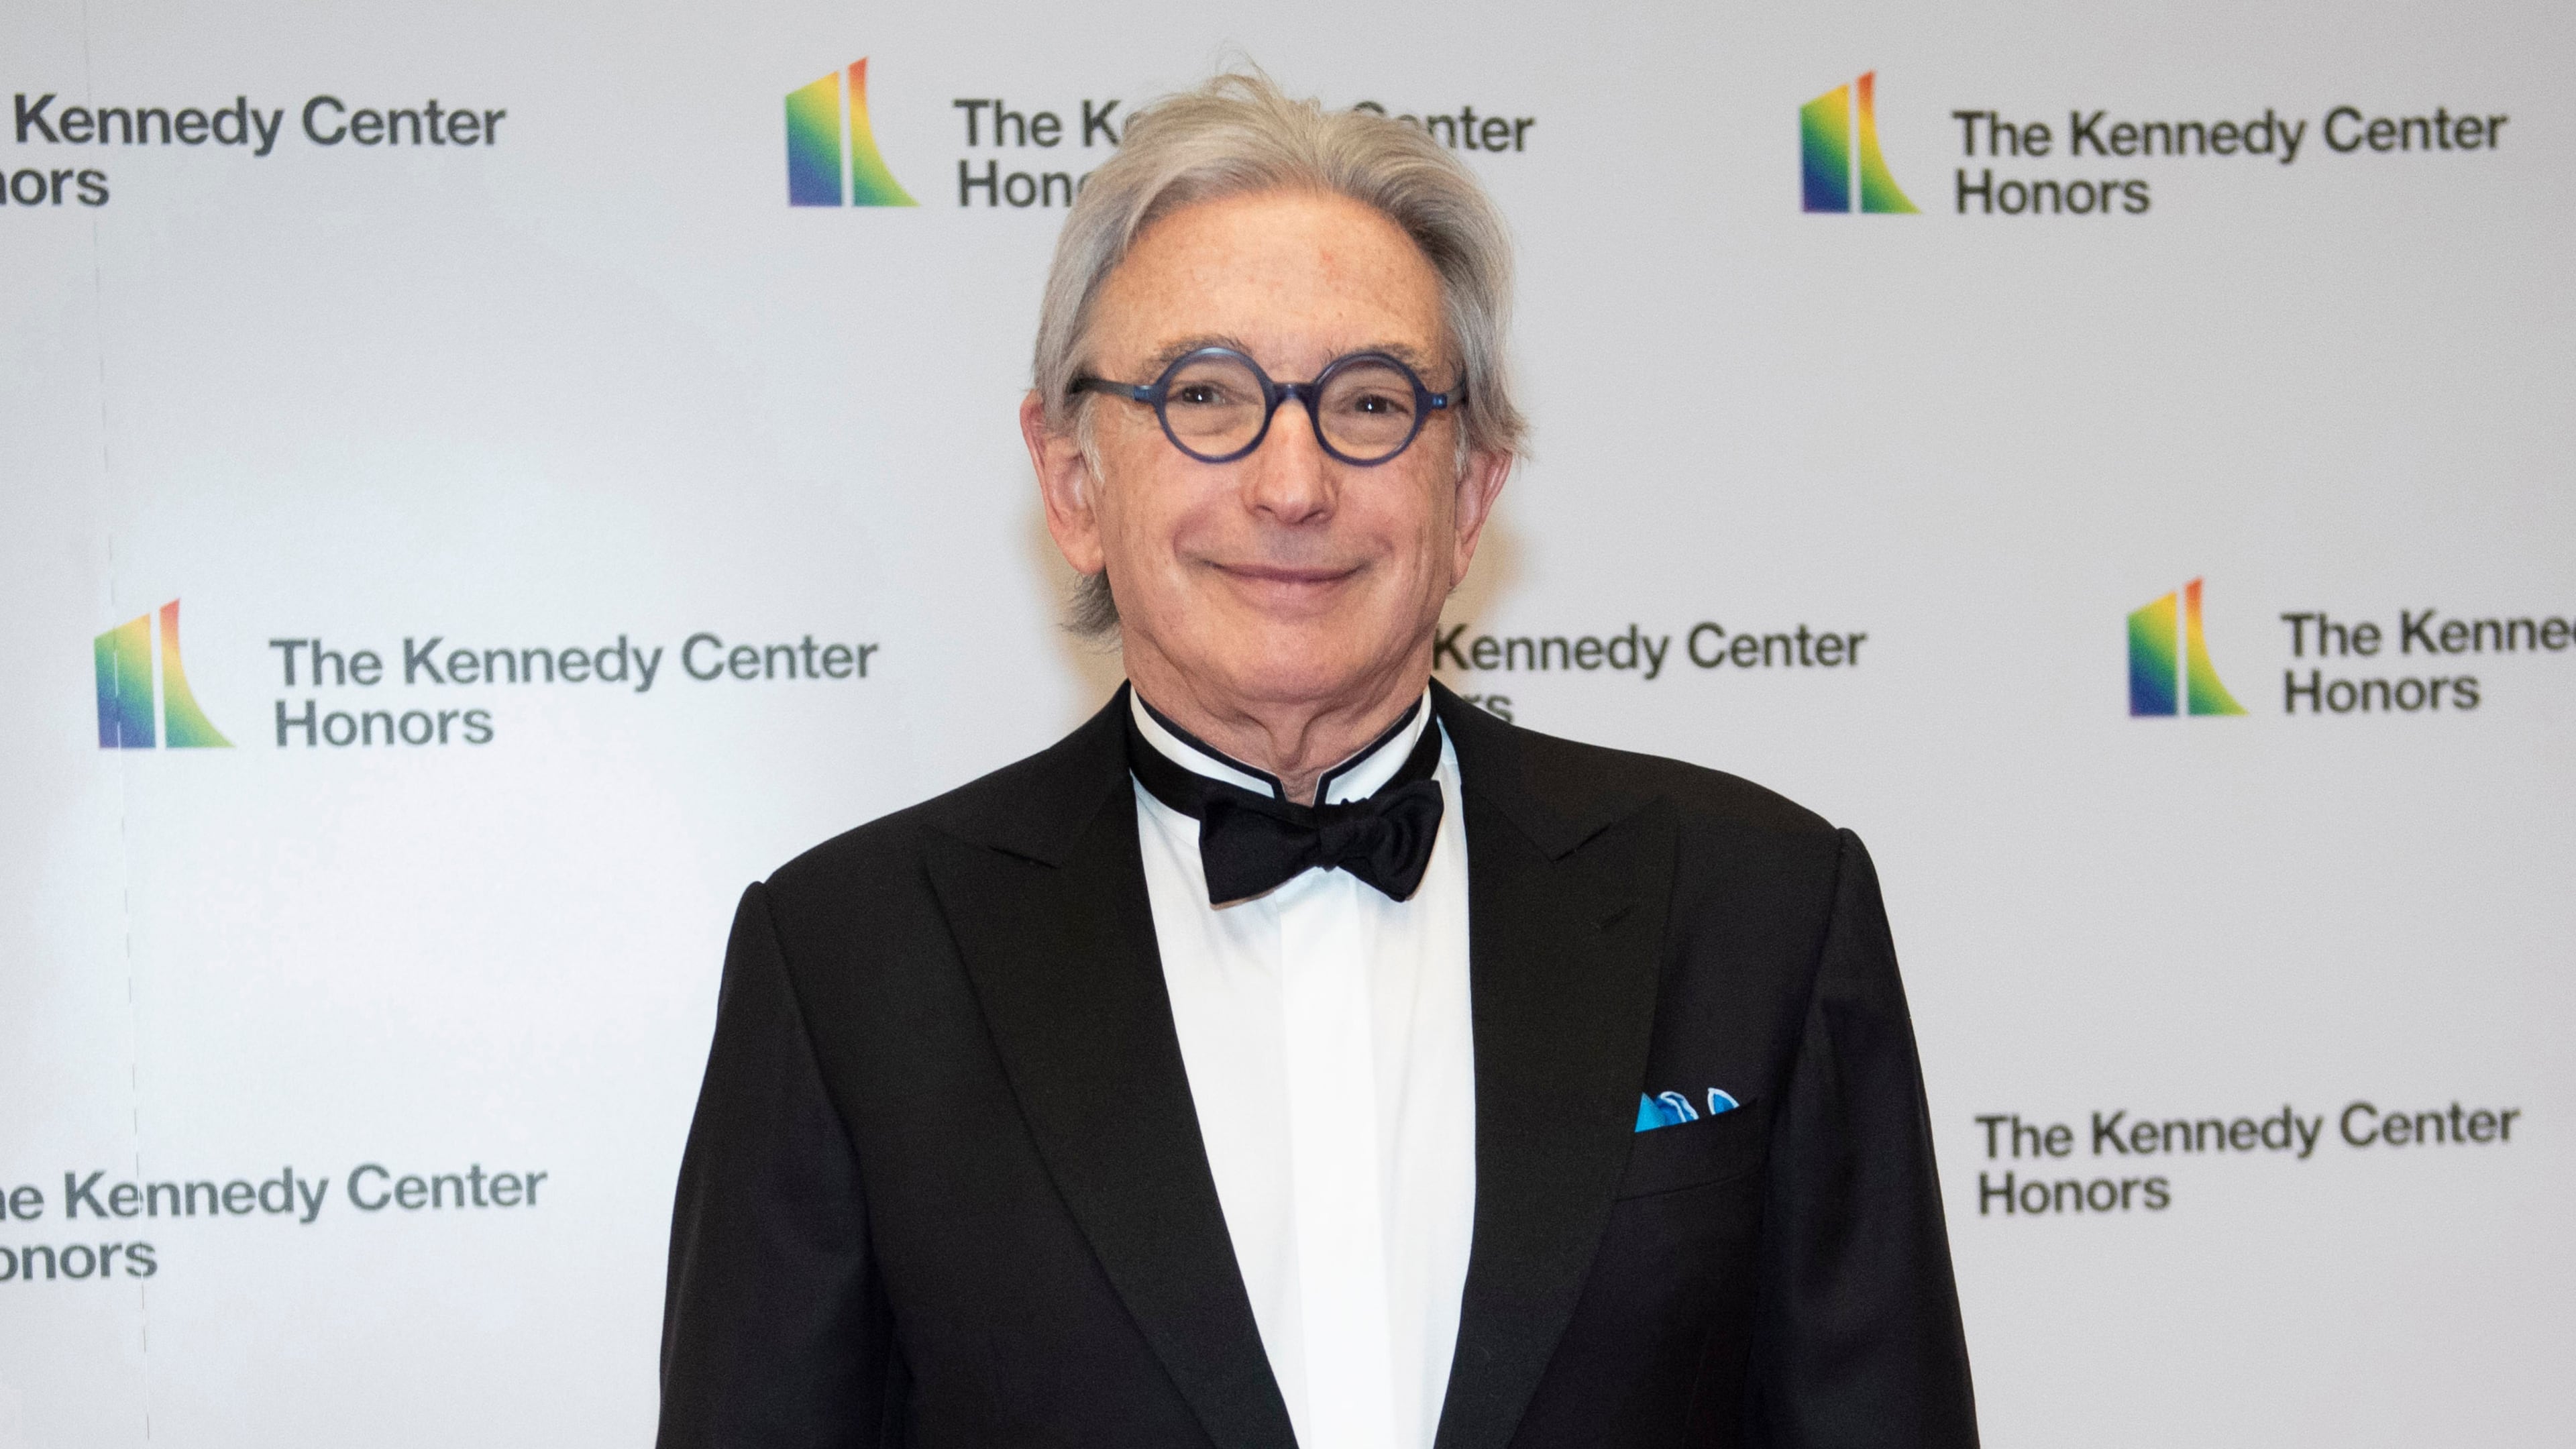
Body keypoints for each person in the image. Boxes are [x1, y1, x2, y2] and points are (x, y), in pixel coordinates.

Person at [659, 70, 1976, 1449]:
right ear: (1073, 485)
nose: (1292, 486)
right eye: (1206, 395)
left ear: (1469, 492)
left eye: (1369, 403)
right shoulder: (848, 964)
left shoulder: (1759, 909)